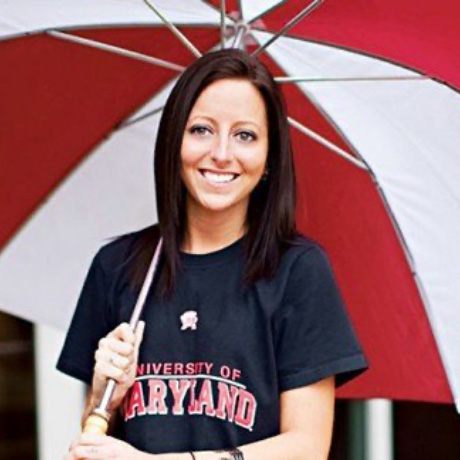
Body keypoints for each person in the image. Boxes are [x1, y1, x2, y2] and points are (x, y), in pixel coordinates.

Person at [58, 48, 368, 460]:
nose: (222, 153)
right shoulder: (118, 266)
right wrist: (104, 400)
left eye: (245, 135)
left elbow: (307, 447)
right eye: (202, 129)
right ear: (174, 140)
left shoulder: (297, 271)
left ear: (270, 157)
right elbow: (93, 447)